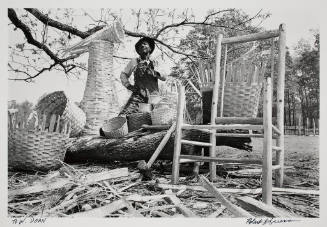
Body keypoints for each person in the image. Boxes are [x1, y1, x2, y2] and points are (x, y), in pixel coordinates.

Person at [119, 37, 166, 115]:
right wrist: (128, 86)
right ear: (139, 51)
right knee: (124, 115)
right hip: (138, 96)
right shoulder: (134, 62)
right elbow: (123, 74)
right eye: (140, 45)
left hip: (153, 97)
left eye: (145, 44)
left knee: (155, 118)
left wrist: (155, 72)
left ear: (150, 48)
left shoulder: (155, 62)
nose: (142, 46)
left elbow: (164, 77)